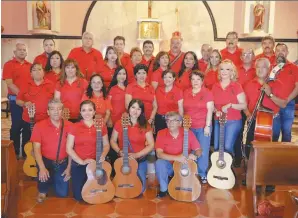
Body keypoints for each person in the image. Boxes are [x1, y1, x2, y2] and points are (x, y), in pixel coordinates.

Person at [66, 100, 110, 201]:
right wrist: (81, 161)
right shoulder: (74, 126)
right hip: (79, 163)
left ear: (94, 112)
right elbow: (69, 148)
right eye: (84, 110)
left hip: (96, 163)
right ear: (80, 112)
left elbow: (106, 145)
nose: (87, 113)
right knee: (80, 197)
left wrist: (102, 155)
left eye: (90, 110)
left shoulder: (101, 125)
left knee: (99, 192)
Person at [31, 99, 72, 203]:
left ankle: (53, 179)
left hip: (62, 162)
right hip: (46, 161)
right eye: (52, 109)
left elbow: (72, 149)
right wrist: (42, 168)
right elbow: (36, 149)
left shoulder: (70, 126)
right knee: (43, 182)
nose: (56, 111)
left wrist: (69, 168)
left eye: (59, 109)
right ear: (48, 112)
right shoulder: (39, 126)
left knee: (62, 194)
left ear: (62, 111)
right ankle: (43, 189)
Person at [110, 99, 154, 193]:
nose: (135, 111)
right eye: (133, 107)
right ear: (128, 108)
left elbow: (151, 144)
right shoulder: (119, 123)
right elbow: (113, 140)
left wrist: (137, 155)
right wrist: (119, 151)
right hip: (123, 159)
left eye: (138, 109)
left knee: (140, 190)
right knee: (119, 188)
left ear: (141, 111)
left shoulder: (145, 125)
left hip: (139, 160)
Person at [155, 111, 201, 197]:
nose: (170, 123)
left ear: (180, 123)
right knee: (159, 163)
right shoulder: (161, 133)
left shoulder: (188, 133)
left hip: (184, 166)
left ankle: (186, 182)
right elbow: (159, 154)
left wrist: (195, 155)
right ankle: (164, 189)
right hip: (169, 166)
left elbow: (198, 149)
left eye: (173, 120)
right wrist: (177, 158)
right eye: (168, 121)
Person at [16, 63, 55, 156]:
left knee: (45, 142)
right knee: (27, 141)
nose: (37, 72)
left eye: (39, 69)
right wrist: (25, 103)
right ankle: (28, 160)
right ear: (31, 73)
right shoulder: (25, 84)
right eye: (34, 70)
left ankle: (44, 160)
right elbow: (18, 101)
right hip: (28, 120)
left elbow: (56, 101)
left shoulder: (50, 84)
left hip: (45, 120)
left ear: (43, 72)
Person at [183, 70, 214, 184]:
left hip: (202, 126)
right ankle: (190, 171)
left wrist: (207, 126)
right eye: (193, 79)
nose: (195, 82)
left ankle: (202, 173)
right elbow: (183, 109)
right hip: (188, 127)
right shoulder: (186, 92)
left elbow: (210, 110)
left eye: (198, 79)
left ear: (202, 81)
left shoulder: (207, 92)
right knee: (189, 149)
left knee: (203, 150)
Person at [2, 42, 32, 157]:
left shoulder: (30, 65)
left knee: (27, 127)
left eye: (24, 50)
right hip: (15, 100)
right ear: (14, 52)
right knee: (16, 126)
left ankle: (25, 154)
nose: (22, 51)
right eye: (19, 49)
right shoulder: (8, 64)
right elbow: (9, 84)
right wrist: (22, 95)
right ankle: (13, 153)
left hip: (28, 102)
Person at [212, 60, 247, 156]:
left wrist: (230, 105)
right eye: (222, 69)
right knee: (216, 148)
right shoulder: (215, 86)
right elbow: (212, 105)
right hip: (218, 120)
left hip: (233, 121)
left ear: (232, 72)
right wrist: (216, 111)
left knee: (227, 148)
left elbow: (243, 105)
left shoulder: (237, 86)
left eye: (227, 69)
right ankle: (218, 170)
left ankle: (227, 170)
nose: (224, 71)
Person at [233, 48, 256, 167]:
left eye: (249, 53)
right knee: (239, 132)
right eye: (244, 54)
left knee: (251, 135)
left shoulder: (257, 69)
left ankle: (250, 159)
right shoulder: (235, 69)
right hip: (237, 106)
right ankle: (238, 158)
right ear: (241, 57)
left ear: (253, 56)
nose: (246, 56)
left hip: (252, 106)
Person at [273, 43, 298, 142]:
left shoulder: (294, 68)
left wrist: (287, 100)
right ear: (275, 53)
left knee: (286, 131)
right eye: (278, 50)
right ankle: (272, 156)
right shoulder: (271, 68)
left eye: (282, 50)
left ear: (287, 52)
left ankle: (285, 157)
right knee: (274, 132)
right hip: (273, 104)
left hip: (289, 104)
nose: (280, 53)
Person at [155, 70, 183, 134]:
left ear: (173, 79)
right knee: (160, 138)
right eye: (165, 77)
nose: (167, 79)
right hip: (159, 119)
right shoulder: (158, 90)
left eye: (169, 77)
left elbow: (180, 108)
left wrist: (180, 121)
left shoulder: (178, 91)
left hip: (172, 120)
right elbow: (155, 106)